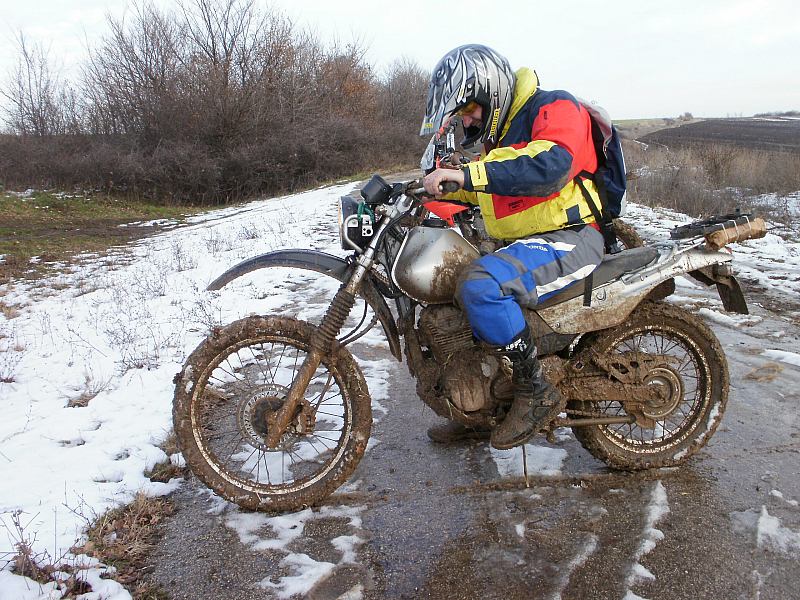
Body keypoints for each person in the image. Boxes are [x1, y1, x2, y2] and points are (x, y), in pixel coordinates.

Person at [419, 44, 605, 450]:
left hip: (572, 238)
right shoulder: (499, 140)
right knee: (452, 284)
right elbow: (489, 191)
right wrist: (424, 192)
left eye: (469, 107)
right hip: (534, 242)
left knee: (480, 286)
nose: (466, 118)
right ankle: (477, 411)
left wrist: (467, 174)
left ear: (492, 90)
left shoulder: (553, 107)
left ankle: (534, 391)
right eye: (460, 112)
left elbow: (548, 165)